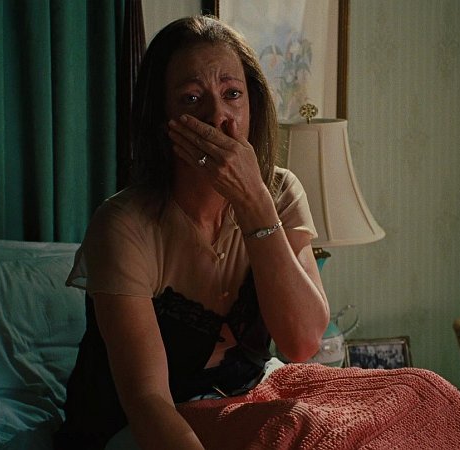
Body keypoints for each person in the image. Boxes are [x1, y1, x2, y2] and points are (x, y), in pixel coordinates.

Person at [54, 15, 330, 450]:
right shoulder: (123, 224)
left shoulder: (279, 193)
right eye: (192, 98)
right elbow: (147, 402)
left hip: (244, 399)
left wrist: (254, 205)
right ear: (161, 117)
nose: (218, 116)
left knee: (416, 389)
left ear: (252, 104)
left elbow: (302, 342)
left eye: (232, 94)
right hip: (142, 425)